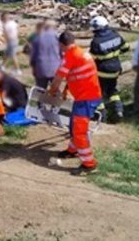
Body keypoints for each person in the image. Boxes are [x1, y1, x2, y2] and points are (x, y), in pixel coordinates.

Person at [48, 31, 103, 176]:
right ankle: (72, 150)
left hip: (86, 99)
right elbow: (76, 75)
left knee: (79, 131)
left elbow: (58, 78)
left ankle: (89, 164)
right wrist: (67, 89)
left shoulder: (70, 56)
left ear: (61, 45)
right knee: (74, 124)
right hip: (88, 96)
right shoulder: (81, 53)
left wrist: (52, 91)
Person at [89, 16, 129, 121]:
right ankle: (119, 111)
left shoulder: (96, 42)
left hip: (102, 72)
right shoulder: (116, 35)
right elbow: (126, 48)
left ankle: (101, 116)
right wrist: (115, 53)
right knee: (112, 91)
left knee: (98, 93)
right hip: (115, 70)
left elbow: (92, 58)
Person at [30, 20, 61, 88]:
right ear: (54, 27)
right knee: (55, 90)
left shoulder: (37, 38)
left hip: (41, 68)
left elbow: (33, 56)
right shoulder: (58, 38)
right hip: (56, 69)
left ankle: (41, 98)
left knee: (40, 90)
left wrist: (33, 67)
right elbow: (62, 53)